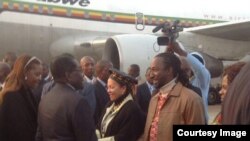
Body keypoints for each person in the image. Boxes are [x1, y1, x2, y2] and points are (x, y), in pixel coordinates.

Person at [143, 53, 205, 141]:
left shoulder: (191, 99)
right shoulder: (154, 99)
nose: (151, 75)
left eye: (155, 70)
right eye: (150, 70)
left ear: (169, 70)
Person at [36, 54, 97, 141]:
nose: (82, 75)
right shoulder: (78, 102)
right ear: (68, 75)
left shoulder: (45, 99)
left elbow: (39, 136)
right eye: (79, 70)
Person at [0, 55, 42, 141]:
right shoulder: (12, 97)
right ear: (25, 72)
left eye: (40, 75)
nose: (40, 78)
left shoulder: (27, 92)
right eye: (37, 74)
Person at [96, 68, 145, 141]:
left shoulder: (132, 109)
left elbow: (125, 137)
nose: (108, 91)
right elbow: (99, 125)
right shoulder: (110, 104)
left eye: (111, 87)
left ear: (123, 89)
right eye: (107, 87)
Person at [169, 41, 211, 123]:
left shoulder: (202, 80)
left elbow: (200, 69)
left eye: (187, 69)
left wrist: (180, 51)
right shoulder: (180, 81)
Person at [94, 60, 113, 125]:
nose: (112, 73)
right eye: (110, 71)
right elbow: (96, 113)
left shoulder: (109, 86)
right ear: (103, 71)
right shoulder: (94, 89)